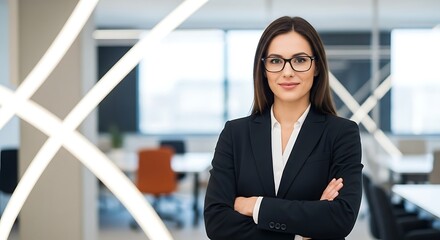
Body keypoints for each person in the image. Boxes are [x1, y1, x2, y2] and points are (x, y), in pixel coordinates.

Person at [204, 16, 363, 240]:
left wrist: (255, 206)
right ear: (264, 68)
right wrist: (302, 231)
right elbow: (217, 224)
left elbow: (340, 218)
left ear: (316, 66)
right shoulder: (235, 134)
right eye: (276, 61)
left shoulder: (341, 134)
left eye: (299, 60)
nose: (287, 72)